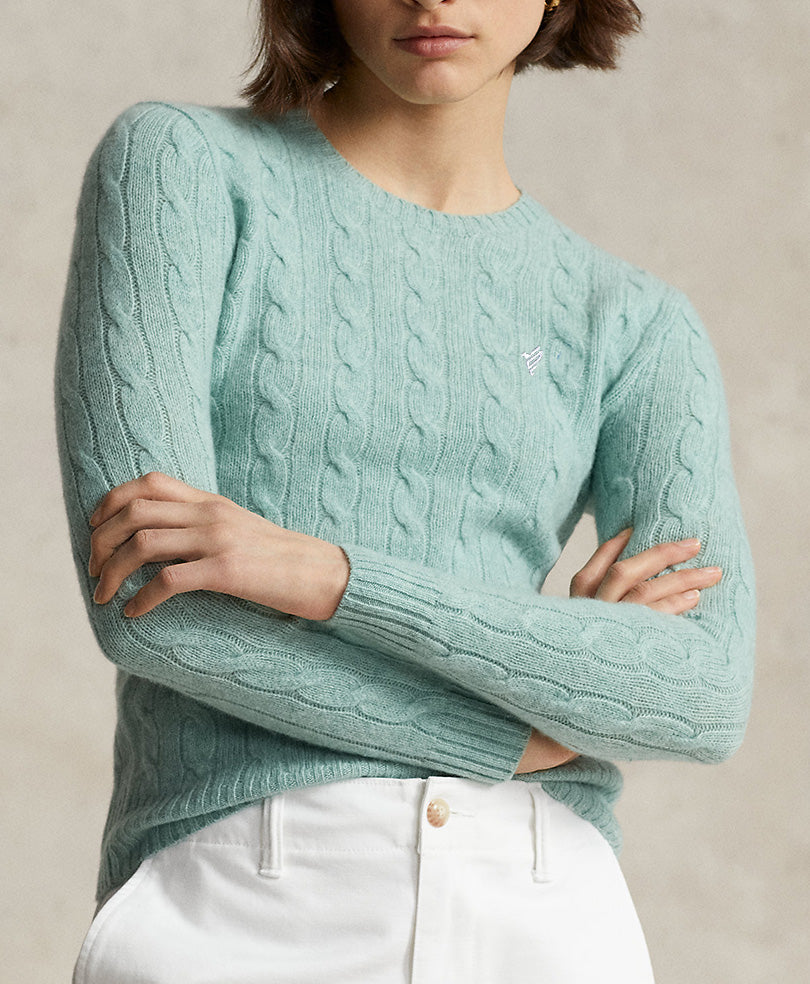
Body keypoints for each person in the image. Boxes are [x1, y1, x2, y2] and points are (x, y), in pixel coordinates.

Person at [55, 1, 756, 981]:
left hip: (540, 901)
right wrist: (525, 726)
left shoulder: (633, 322)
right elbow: (150, 605)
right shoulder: (181, 169)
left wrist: (330, 576)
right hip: (244, 894)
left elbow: (700, 694)